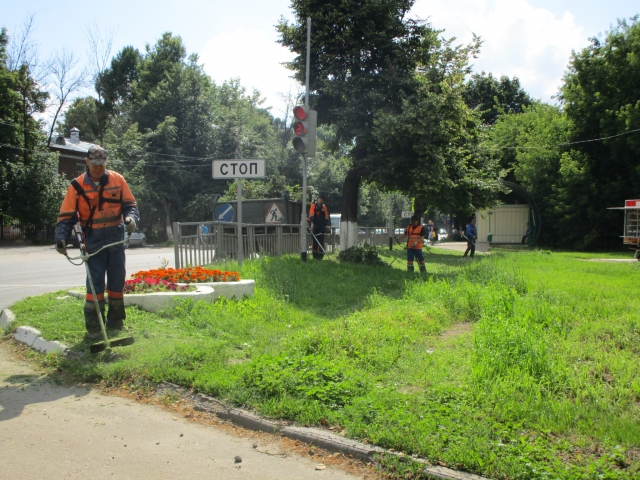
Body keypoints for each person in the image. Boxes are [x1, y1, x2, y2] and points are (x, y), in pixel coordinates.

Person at [55, 146, 139, 336]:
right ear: (87, 162)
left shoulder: (118, 180)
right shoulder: (76, 186)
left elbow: (130, 205)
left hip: (115, 239)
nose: (98, 169)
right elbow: (66, 217)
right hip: (92, 240)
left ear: (106, 163)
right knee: (95, 285)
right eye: (95, 165)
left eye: (101, 165)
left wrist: (131, 219)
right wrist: (61, 239)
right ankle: (94, 326)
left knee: (117, 282)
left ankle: (116, 323)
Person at [308, 195, 329, 260]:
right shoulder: (313, 206)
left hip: (322, 228)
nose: (321, 200)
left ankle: (320, 257)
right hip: (315, 227)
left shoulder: (324, 208)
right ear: (318, 199)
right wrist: (312, 224)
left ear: (323, 201)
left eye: (322, 200)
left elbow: (326, 217)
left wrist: (326, 225)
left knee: (321, 242)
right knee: (315, 242)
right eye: (320, 199)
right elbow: (311, 215)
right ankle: (315, 256)